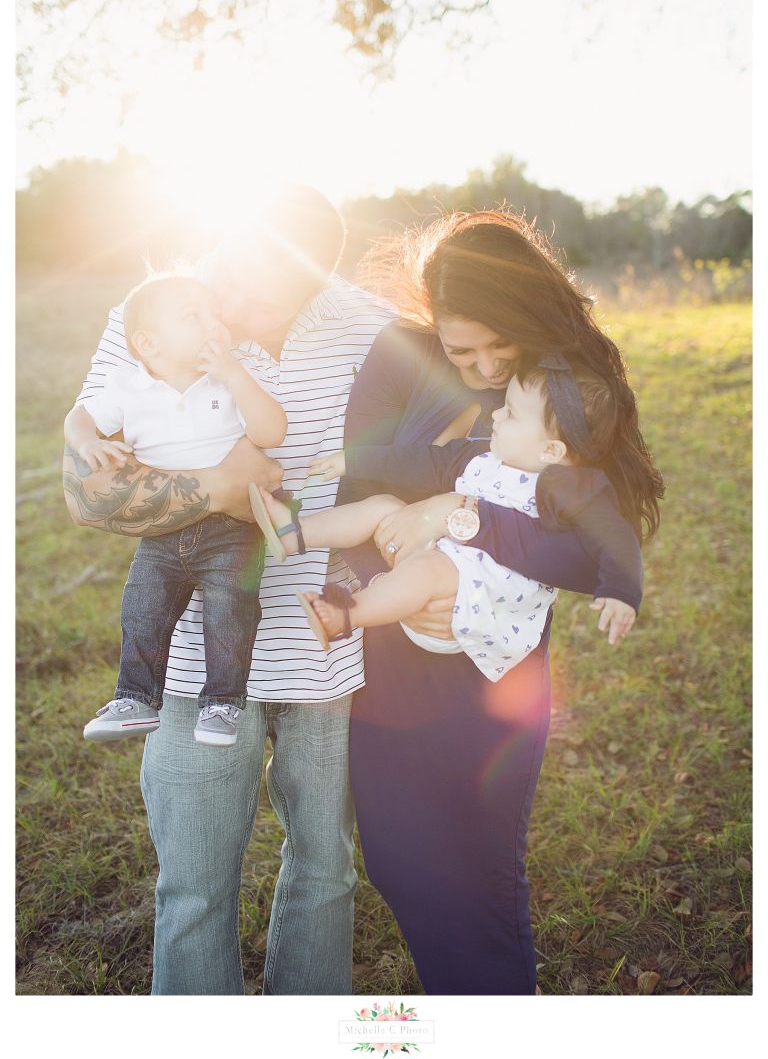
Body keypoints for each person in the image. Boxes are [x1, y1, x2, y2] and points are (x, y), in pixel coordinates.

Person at [62, 185, 395, 994]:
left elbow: (419, 466)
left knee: (326, 872)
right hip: (192, 659)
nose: (231, 312)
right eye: (230, 280)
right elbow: (85, 491)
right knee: (195, 888)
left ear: (315, 281)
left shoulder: (371, 328)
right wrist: (224, 485)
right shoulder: (152, 313)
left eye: (260, 297)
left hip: (326, 658)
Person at [333, 209, 663, 995]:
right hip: (395, 643)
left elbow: (587, 546)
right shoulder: (398, 354)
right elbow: (357, 485)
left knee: (476, 868)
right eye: (462, 350)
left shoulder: (562, 385)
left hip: (493, 659)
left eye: (498, 347)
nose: (484, 368)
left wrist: (460, 513)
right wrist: (388, 576)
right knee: (398, 858)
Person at [249, 361, 641, 671]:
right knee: (384, 505)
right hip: (438, 562)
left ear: (550, 451)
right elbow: (420, 461)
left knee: (429, 569)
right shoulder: (481, 457)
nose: (497, 415)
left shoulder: (569, 486)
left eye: (512, 414)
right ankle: (293, 534)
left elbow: (616, 537)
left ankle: (345, 616)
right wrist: (353, 460)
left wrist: (621, 592)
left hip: (475, 603)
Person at [66, 272, 287, 745]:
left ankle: (223, 703)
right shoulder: (127, 386)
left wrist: (234, 374)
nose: (214, 325)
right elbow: (78, 417)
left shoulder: (226, 380)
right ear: (149, 343)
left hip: (232, 527)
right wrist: (88, 444)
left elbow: (271, 432)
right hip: (165, 525)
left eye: (214, 315)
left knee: (230, 609)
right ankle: (136, 698)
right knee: (143, 607)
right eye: (194, 317)